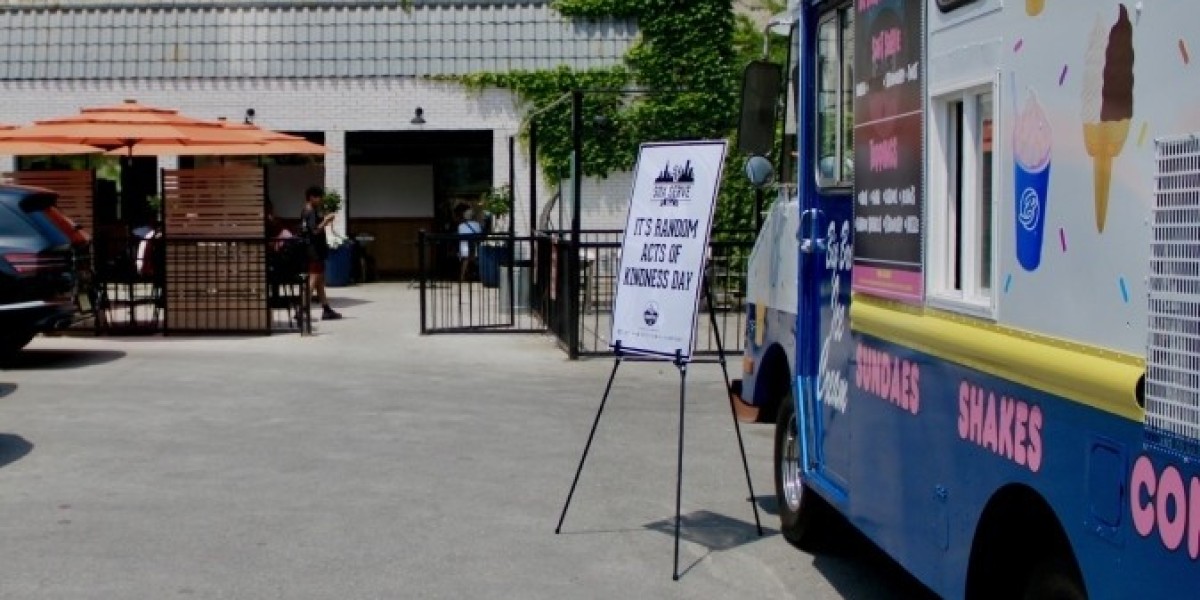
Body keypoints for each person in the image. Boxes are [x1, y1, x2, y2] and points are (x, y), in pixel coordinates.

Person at [300, 186, 342, 320]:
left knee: (319, 281)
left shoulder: (305, 210)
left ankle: (326, 308)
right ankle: (302, 309)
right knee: (313, 279)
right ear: (312, 197)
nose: (320, 200)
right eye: (318, 197)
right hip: (314, 250)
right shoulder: (310, 211)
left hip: (312, 249)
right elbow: (315, 231)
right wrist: (326, 221)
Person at [456, 205, 483, 282]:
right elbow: (479, 234)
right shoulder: (477, 225)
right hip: (474, 245)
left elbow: (459, 235)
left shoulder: (460, 226)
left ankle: (462, 277)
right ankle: (479, 276)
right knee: (476, 260)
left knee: (465, 261)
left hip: (464, 245)